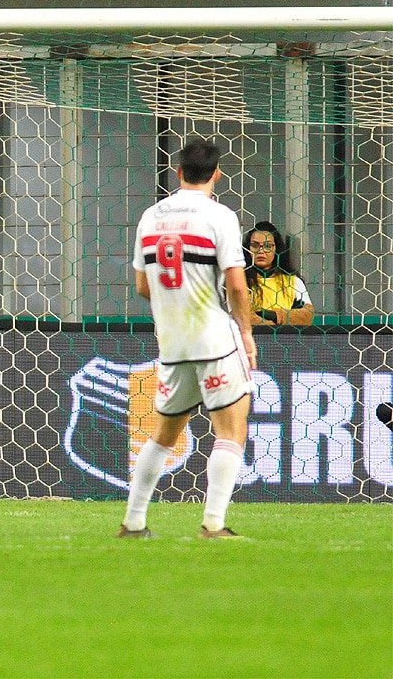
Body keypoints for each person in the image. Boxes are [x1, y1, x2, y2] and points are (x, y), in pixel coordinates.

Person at [120, 138, 257, 540]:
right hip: (213, 336)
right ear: (217, 173)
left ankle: (134, 521)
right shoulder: (220, 216)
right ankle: (213, 524)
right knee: (231, 430)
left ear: (178, 172)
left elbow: (143, 287)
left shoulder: (149, 217)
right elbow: (236, 285)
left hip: (172, 342)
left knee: (163, 435)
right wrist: (245, 332)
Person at [243, 221, 314, 326]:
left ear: (277, 249)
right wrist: (270, 326)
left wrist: (275, 315)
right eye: (255, 245)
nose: (261, 251)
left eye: (268, 246)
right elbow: (239, 314)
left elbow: (307, 315)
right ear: (247, 248)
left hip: (286, 339)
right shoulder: (239, 280)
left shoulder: (293, 281)